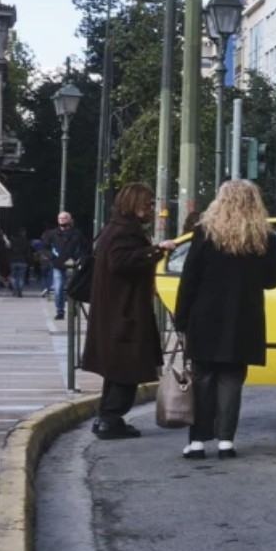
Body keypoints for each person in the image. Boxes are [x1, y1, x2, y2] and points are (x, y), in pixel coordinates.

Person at [172, 180, 276, 459]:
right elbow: (272, 281)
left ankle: (197, 441)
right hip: (243, 318)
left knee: (202, 379)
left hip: (205, 316)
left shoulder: (204, 233)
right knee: (232, 380)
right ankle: (226, 441)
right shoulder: (264, 237)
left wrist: (181, 319)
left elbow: (189, 280)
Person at [79, 183, 168, 440]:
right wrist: (156, 250)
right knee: (126, 367)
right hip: (123, 310)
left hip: (117, 309)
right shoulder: (124, 232)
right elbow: (121, 263)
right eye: (147, 203)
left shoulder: (117, 228)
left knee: (118, 367)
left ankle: (108, 417)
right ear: (134, 203)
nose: (150, 208)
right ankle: (110, 419)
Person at [45, 211, 85, 320]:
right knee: (58, 289)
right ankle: (60, 311)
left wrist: (80, 259)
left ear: (69, 219)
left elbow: (83, 248)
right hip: (58, 265)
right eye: (60, 218)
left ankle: (74, 308)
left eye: (64, 218)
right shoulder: (52, 234)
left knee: (75, 288)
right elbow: (45, 247)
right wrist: (52, 257)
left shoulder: (77, 233)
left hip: (73, 265)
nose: (61, 220)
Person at [6, 228, 32, 297]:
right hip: (23, 261)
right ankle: (20, 290)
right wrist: (29, 261)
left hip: (12, 260)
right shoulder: (25, 241)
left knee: (13, 276)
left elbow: (7, 250)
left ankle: (15, 289)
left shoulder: (11, 241)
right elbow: (28, 252)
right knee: (21, 277)